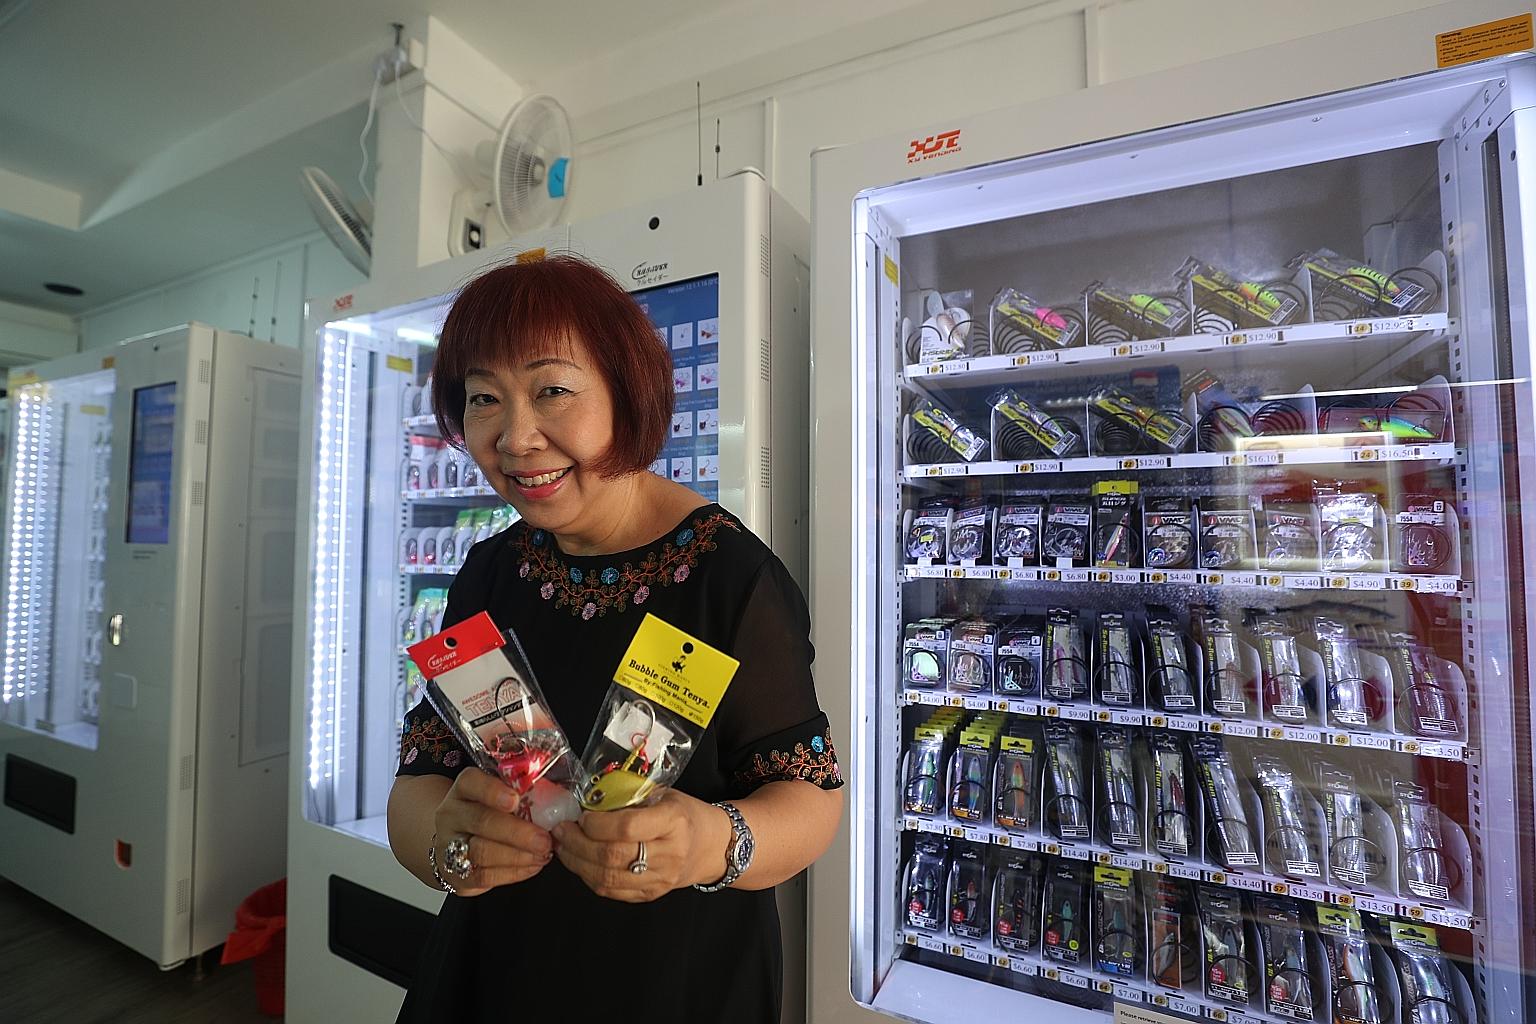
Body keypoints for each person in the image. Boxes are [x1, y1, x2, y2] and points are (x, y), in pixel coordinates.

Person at [386, 254, 843, 1022]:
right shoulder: (488, 576)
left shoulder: (728, 577)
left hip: (679, 982)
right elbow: (419, 783)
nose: (515, 436)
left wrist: (706, 841)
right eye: (485, 399)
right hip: (492, 975)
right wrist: (447, 844)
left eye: (552, 390)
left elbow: (810, 798)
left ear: (626, 393)